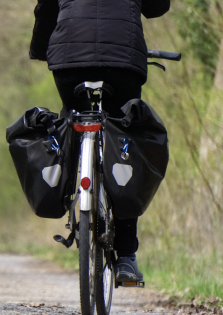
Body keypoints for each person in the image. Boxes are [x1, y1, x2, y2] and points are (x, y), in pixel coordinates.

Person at [29, 0, 170, 282]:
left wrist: (40, 49)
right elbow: (156, 7)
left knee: (71, 119)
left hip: (69, 61)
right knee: (126, 135)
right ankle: (127, 257)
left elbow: (46, 9)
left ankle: (73, 189)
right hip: (123, 63)